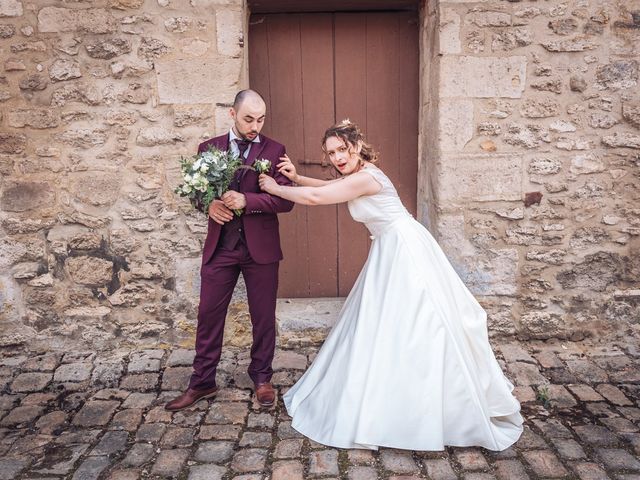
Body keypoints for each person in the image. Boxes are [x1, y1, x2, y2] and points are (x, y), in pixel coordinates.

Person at [257, 119, 523, 451]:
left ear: (356, 145)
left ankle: (429, 408)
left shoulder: (366, 177)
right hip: (392, 245)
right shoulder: (360, 174)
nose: (337, 158)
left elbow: (315, 198)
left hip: (404, 250)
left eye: (342, 150)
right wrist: (296, 177)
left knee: (419, 323)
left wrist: (277, 188)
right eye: (331, 153)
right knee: (390, 326)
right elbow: (325, 187)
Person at [166, 90, 294, 411]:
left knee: (262, 317)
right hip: (221, 247)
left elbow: (286, 199)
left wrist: (248, 200)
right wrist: (208, 204)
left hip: (260, 250)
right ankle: (203, 382)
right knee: (209, 315)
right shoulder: (208, 149)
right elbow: (196, 192)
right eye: (249, 118)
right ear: (232, 115)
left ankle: (262, 377)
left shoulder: (275, 150)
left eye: (261, 119)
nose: (255, 125)